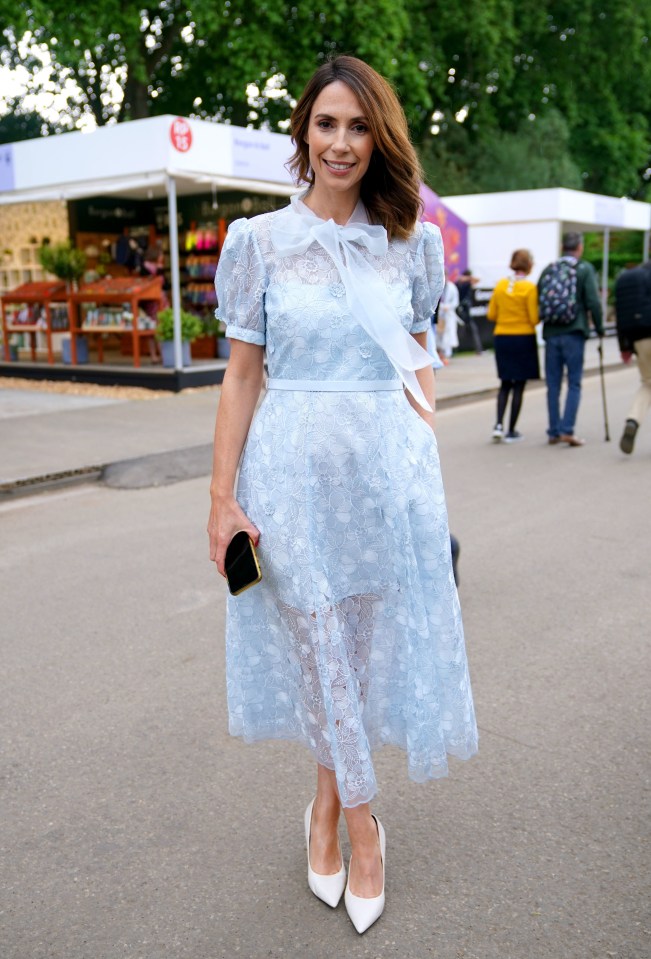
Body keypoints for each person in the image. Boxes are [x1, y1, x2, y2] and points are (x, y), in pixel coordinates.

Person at [207, 56, 477, 934]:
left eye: (358, 126)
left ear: (380, 138)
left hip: (379, 483)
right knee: (321, 647)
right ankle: (365, 831)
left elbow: (421, 357)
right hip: (286, 479)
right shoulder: (258, 242)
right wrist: (221, 500)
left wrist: (416, 442)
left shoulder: (413, 243)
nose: (341, 142)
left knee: (349, 665)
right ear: (303, 133)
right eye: (326, 124)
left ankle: (324, 808)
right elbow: (241, 377)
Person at [539, 231, 604, 446]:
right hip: (574, 332)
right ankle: (567, 430)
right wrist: (600, 328)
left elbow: (540, 297)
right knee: (574, 383)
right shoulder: (584, 269)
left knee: (553, 385)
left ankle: (553, 431)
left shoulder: (550, 269)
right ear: (580, 247)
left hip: (551, 333)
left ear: (562, 247)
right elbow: (593, 301)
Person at [486, 249, 540, 443]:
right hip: (523, 338)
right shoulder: (530, 288)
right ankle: (511, 430)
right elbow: (534, 319)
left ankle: (498, 425)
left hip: (502, 337)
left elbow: (491, 314)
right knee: (519, 385)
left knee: (505, 383)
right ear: (529, 265)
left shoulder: (500, 285)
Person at [614, 260, 651, 454]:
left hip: (639, 339)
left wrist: (624, 346)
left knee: (648, 383)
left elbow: (621, 311)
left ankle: (633, 420)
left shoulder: (629, 276)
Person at [456, 268, 483, 354]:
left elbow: (477, 280)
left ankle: (479, 349)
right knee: (459, 330)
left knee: (472, 329)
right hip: (460, 310)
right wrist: (466, 278)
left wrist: (468, 278)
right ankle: (454, 350)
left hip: (466, 310)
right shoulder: (460, 283)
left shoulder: (467, 282)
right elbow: (459, 280)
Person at [437, 274, 462, 362]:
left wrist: (448, 306)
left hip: (449, 314)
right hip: (439, 314)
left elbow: (456, 302)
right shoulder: (437, 285)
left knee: (448, 334)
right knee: (438, 335)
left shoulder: (452, 287)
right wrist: (441, 306)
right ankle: (440, 354)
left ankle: (447, 354)